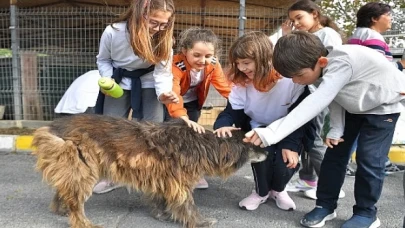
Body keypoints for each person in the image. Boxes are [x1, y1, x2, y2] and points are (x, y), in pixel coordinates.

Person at [244, 31, 405, 228]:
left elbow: (319, 100)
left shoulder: (341, 62)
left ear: (321, 62)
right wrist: (336, 129)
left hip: (384, 108)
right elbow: (336, 96)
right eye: (291, 77)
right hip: (354, 107)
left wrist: (270, 132)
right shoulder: (320, 69)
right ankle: (325, 205)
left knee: (369, 159)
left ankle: (366, 212)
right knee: (333, 157)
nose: (295, 81)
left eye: (299, 75)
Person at [213, 31, 315, 211]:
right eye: (238, 63)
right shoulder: (241, 84)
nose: (242, 68)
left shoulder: (292, 80)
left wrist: (291, 145)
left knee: (286, 162)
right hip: (258, 128)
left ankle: (279, 190)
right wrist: (222, 125)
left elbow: (300, 116)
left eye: (246, 63)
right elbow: (231, 112)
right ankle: (260, 193)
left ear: (264, 59)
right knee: (262, 159)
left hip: (288, 127)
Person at [93, 0, 179, 194]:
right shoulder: (113, 32)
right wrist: (107, 80)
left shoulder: (165, 38)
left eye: (164, 24)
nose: (159, 29)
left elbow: (163, 73)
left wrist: (164, 93)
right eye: (154, 22)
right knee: (112, 130)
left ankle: (150, 177)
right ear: (140, 14)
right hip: (119, 81)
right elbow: (103, 60)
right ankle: (113, 176)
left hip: (148, 81)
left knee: (153, 131)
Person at [281, 0, 345, 200]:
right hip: (308, 93)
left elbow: (334, 67)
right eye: (293, 20)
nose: (296, 23)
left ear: (315, 14)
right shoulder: (310, 36)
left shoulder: (327, 34)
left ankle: (331, 185)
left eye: (299, 17)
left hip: (322, 96)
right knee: (307, 138)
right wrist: (287, 37)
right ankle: (308, 179)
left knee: (316, 140)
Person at [166, 27, 231, 189]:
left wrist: (242, 103)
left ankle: (193, 172)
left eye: (208, 56)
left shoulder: (213, 65)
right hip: (172, 102)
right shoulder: (175, 63)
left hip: (194, 103)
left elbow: (224, 87)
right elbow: (173, 91)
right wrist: (182, 117)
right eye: (197, 55)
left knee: (192, 137)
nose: (203, 60)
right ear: (184, 51)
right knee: (172, 137)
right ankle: (170, 172)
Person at [346, 1, 405, 177]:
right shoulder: (372, 37)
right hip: (374, 100)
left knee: (354, 138)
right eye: (388, 15)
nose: (391, 19)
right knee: (371, 148)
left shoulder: (359, 35)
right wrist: (400, 66)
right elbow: (377, 71)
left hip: (360, 98)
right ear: (374, 18)